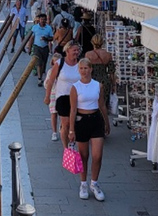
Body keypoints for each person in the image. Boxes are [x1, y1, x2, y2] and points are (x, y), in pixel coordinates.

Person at [68, 58, 110, 202]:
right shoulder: (75, 87)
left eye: (86, 68)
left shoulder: (98, 85)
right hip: (81, 121)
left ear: (91, 69)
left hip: (96, 120)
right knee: (83, 156)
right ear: (78, 70)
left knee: (97, 155)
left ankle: (94, 183)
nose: (84, 71)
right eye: (81, 68)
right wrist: (71, 129)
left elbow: (102, 105)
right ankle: (83, 184)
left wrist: (107, 123)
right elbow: (73, 109)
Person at [44, 42, 81, 146]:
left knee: (75, 123)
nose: (76, 52)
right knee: (66, 123)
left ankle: (72, 142)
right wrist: (47, 96)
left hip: (77, 97)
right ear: (67, 51)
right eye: (74, 50)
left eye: (78, 50)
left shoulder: (80, 64)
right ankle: (66, 147)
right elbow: (51, 81)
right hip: (63, 97)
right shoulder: (60, 63)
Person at [85, 34, 116, 114]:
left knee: (92, 103)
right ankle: (104, 122)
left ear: (92, 42)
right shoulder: (108, 55)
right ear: (102, 42)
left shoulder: (88, 55)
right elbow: (111, 72)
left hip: (92, 80)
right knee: (104, 104)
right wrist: (113, 85)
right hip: (104, 80)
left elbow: (86, 70)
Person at [29, 13, 54, 86]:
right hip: (37, 47)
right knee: (38, 63)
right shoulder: (35, 27)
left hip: (45, 47)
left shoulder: (48, 28)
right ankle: (39, 78)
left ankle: (42, 74)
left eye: (44, 19)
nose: (43, 21)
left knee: (44, 63)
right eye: (41, 19)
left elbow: (52, 38)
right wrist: (29, 47)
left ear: (46, 20)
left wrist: (46, 39)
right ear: (39, 20)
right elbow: (32, 38)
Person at [44, 51, 64, 141]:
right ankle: (54, 132)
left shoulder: (63, 72)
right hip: (53, 94)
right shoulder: (50, 72)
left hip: (62, 94)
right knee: (53, 113)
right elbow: (46, 84)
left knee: (62, 114)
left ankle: (61, 128)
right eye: (54, 62)